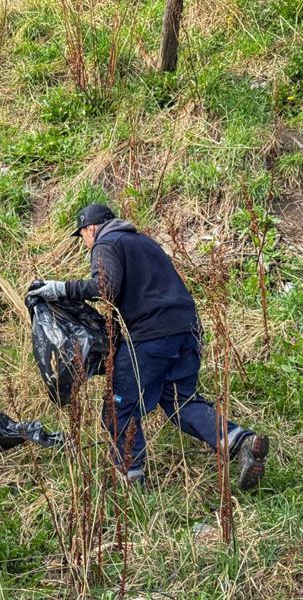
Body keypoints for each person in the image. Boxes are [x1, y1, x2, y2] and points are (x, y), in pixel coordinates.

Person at [27, 203, 269, 489]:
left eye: (83, 237)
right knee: (181, 401)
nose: (85, 244)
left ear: (90, 227)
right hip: (188, 330)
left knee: (118, 408)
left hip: (152, 336)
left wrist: (61, 288)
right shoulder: (143, 242)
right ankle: (241, 441)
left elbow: (105, 287)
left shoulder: (106, 242)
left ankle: (133, 484)